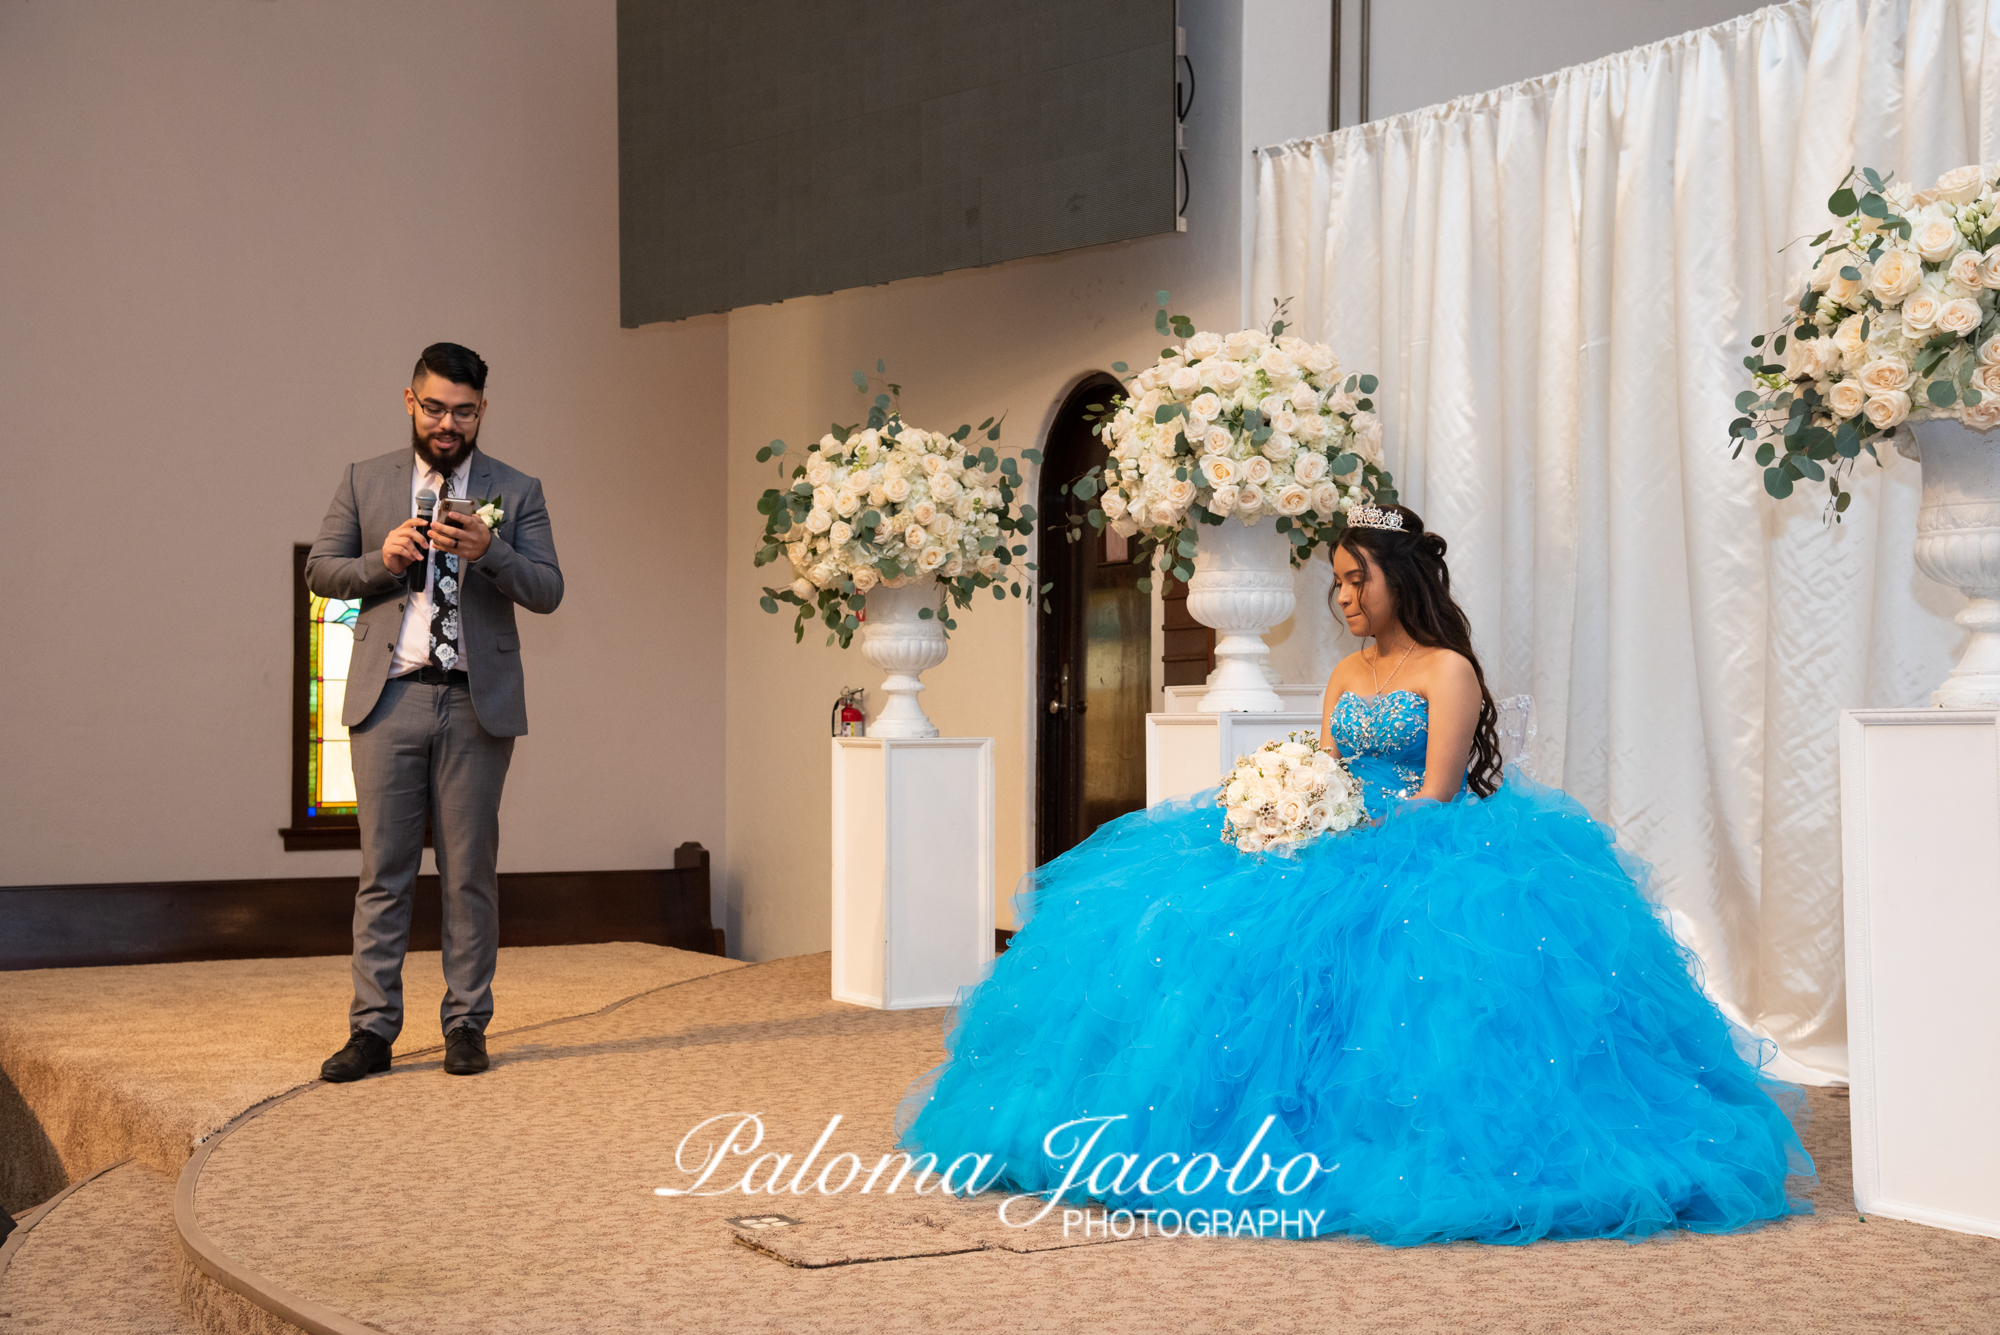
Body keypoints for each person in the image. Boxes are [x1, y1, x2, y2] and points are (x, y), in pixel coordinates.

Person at [898, 504, 1814, 1245]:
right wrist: (1288, 802)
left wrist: (1348, 818)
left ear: (1397, 578)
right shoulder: (1345, 672)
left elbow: (1441, 791)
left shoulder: (1446, 668)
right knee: (1191, 931)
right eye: (1335, 580)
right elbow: (1326, 759)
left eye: (1354, 578)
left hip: (1424, 845)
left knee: (1411, 988)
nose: (1341, 596)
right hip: (1330, 831)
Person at [306, 343, 563, 1082]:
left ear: (483, 410)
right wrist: (379, 561)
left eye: (464, 410)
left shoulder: (517, 489)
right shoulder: (365, 479)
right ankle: (373, 1031)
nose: (447, 423)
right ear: (409, 400)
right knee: (382, 873)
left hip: (475, 706)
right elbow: (321, 570)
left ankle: (465, 1024)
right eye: (435, 407)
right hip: (388, 698)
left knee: (469, 875)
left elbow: (548, 589)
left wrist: (492, 550)